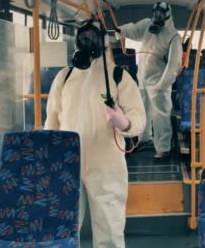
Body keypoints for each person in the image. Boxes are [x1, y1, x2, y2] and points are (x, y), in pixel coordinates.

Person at [45, 18, 146, 247]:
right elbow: (51, 121)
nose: (88, 42)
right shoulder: (65, 76)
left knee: (109, 228)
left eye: (93, 38)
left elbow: (139, 119)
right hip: (68, 162)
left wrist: (124, 123)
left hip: (106, 163)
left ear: (104, 43)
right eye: (83, 38)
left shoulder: (119, 76)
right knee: (63, 226)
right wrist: (50, 159)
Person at [116, 2, 182, 160]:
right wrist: (120, 30)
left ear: (167, 15)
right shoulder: (147, 25)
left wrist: (162, 84)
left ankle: (163, 148)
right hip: (143, 78)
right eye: (155, 13)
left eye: (161, 14)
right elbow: (133, 29)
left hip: (159, 81)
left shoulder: (173, 36)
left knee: (160, 116)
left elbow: (174, 64)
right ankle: (144, 139)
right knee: (142, 111)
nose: (157, 17)